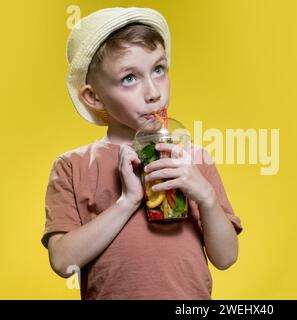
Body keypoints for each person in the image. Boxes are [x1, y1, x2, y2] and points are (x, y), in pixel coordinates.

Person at [42, 7, 243, 300]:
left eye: (158, 70)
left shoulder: (192, 159)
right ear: (94, 96)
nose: (153, 92)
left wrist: (206, 197)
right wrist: (127, 200)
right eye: (129, 78)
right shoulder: (72, 167)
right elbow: (62, 262)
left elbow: (226, 258)